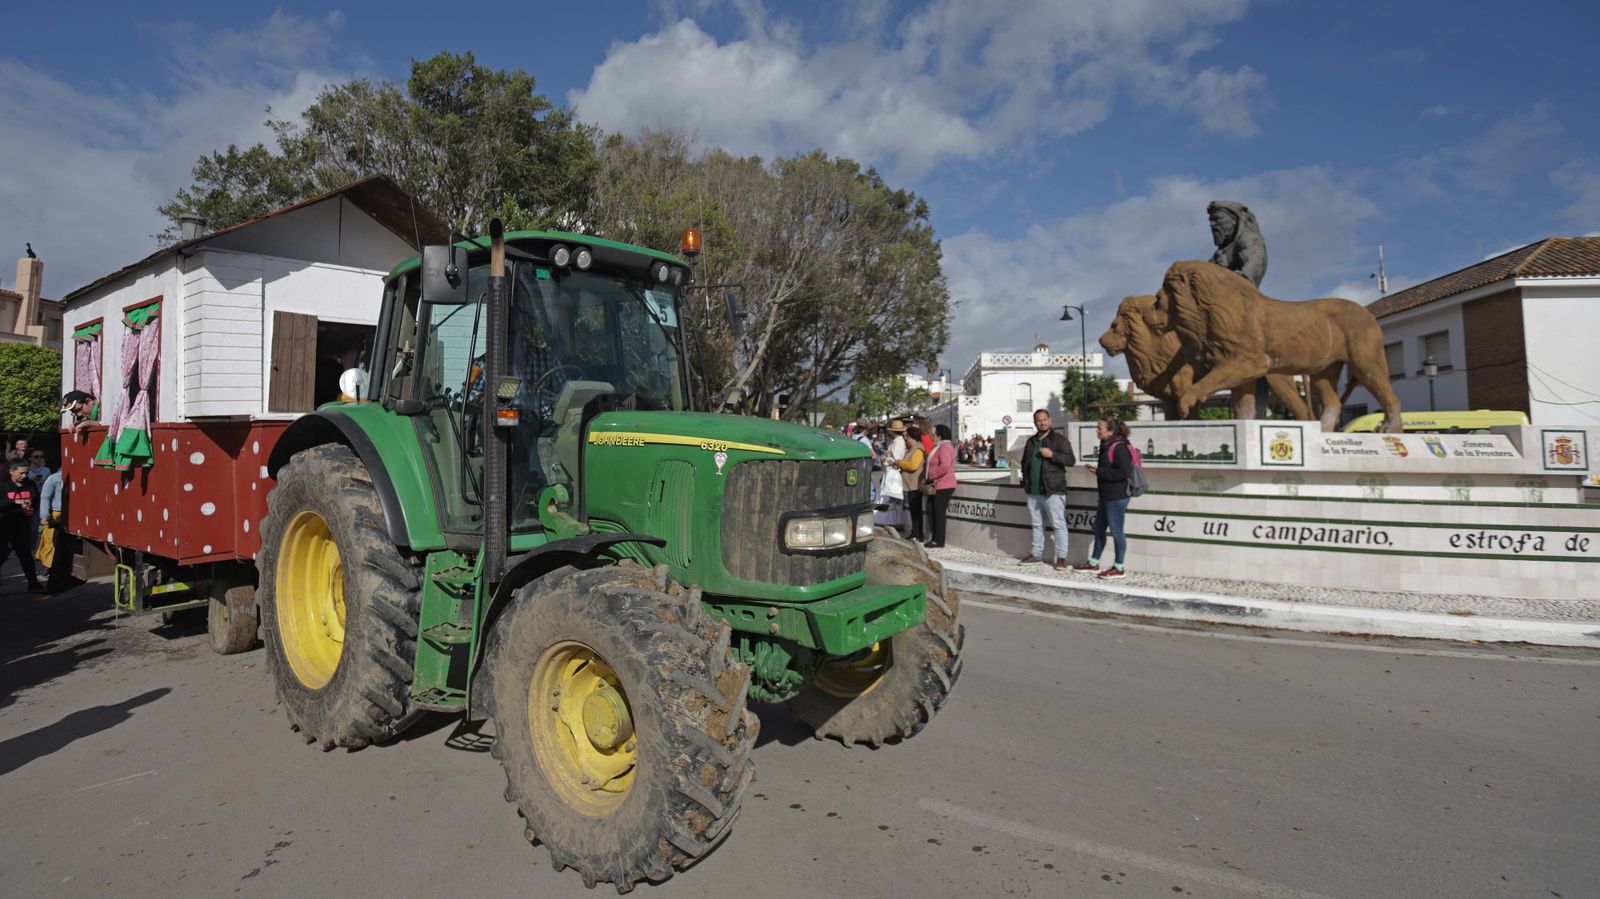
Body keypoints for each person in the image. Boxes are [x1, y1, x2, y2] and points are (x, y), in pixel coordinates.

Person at [1072, 415, 1135, 579]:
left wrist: (1099, 471)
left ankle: (1119, 567)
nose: (1097, 430)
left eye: (1099, 427)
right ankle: (1093, 563)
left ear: (1110, 431)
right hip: (1106, 497)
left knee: (1117, 532)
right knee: (1099, 529)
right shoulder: (1106, 445)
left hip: (1116, 497)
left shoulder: (1119, 447)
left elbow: (1123, 473)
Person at [1017, 409, 1076, 567]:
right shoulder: (1031, 442)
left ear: (1049, 420)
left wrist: (1052, 455)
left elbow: (1071, 460)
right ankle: (1036, 554)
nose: (1042, 423)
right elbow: (1024, 464)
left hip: (1053, 490)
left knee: (1058, 525)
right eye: (1038, 420)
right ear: (1035, 422)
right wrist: (1025, 483)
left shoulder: (1059, 440)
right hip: (1033, 492)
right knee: (1036, 525)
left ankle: (1062, 558)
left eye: (1044, 419)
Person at [0, 459, 43, 592]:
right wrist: (15, 502)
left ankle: (33, 582)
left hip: (22, 526)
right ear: (11, 471)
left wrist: (31, 511)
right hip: (3, 526)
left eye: (26, 472)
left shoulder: (30, 484)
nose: (24, 476)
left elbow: (36, 502)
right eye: (21, 473)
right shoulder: (2, 484)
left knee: (25, 555)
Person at [923, 424, 958, 548]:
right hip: (939, 484)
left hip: (944, 484)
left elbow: (944, 466)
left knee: (938, 512)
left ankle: (939, 540)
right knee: (931, 509)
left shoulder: (944, 447)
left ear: (939, 435)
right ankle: (935, 538)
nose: (933, 436)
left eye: (934, 434)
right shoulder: (941, 447)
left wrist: (932, 475)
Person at [894, 422, 928, 541]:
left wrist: (900, 463)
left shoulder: (918, 450)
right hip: (910, 484)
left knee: (916, 511)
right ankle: (915, 532)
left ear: (912, 437)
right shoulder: (912, 449)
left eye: (907, 437)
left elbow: (913, 465)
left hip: (915, 485)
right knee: (914, 511)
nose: (906, 439)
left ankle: (918, 534)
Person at [875, 419, 909, 533]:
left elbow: (897, 460)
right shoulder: (896, 441)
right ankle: (889, 520)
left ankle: (891, 521)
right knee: (889, 496)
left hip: (893, 473)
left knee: (890, 496)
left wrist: (886, 459)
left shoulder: (898, 443)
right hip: (890, 472)